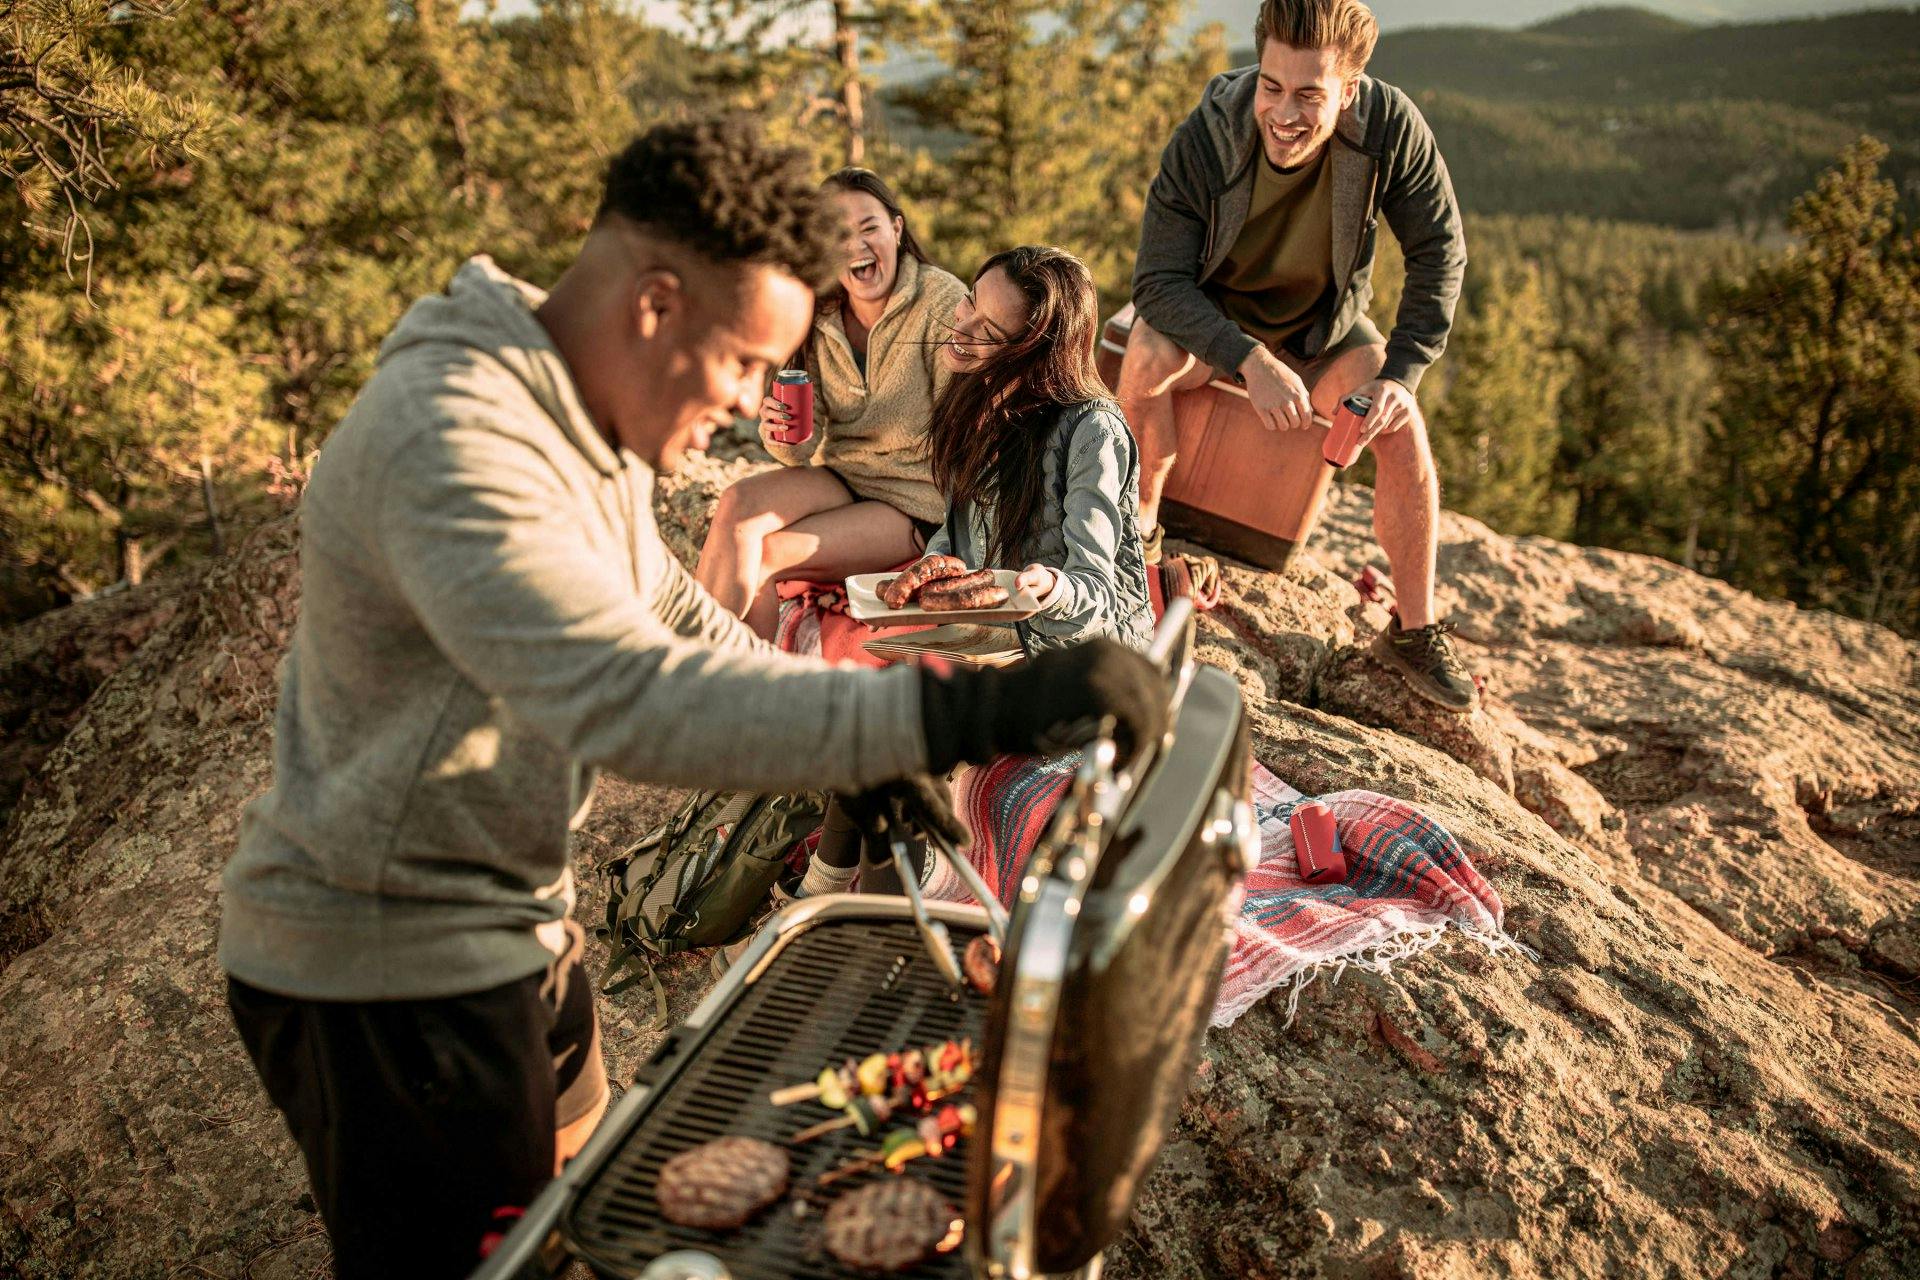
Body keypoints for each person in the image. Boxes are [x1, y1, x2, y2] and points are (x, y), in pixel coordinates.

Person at [218, 119, 1165, 1280]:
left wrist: (837, 727)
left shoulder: (575, 407)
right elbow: (623, 695)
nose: (743, 408)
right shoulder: (455, 440)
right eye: (738, 364)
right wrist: (932, 719)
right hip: (384, 971)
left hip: (514, 923)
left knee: (581, 1211)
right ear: (658, 303)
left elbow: (670, 610)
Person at [1118, 0, 1476, 710]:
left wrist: (1403, 375)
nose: (1284, 113)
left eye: (1310, 95)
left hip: (1322, 333)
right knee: (1145, 358)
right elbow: (1157, 282)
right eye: (1272, 86)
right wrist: (1246, 358)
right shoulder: (1210, 134)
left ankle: (1413, 627)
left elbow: (1440, 252)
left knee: (1401, 425)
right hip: (1212, 325)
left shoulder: (1387, 128)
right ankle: (1140, 548)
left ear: (1348, 91)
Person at [695, 167, 968, 637]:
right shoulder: (818, 312)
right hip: (841, 475)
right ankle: (688, 659)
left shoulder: (940, 302)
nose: (858, 247)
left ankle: (747, 690)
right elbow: (799, 450)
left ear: (896, 230)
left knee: (766, 557)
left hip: (913, 500)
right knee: (737, 504)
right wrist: (779, 431)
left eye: (870, 228)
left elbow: (965, 425)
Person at [925, 245, 1154, 656]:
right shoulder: (974, 397)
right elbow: (966, 533)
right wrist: (934, 563)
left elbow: (1096, 591)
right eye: (971, 301)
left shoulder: (1093, 431)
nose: (962, 329)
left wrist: (1051, 588)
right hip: (990, 641)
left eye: (991, 332)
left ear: (1032, 352)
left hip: (1079, 660)